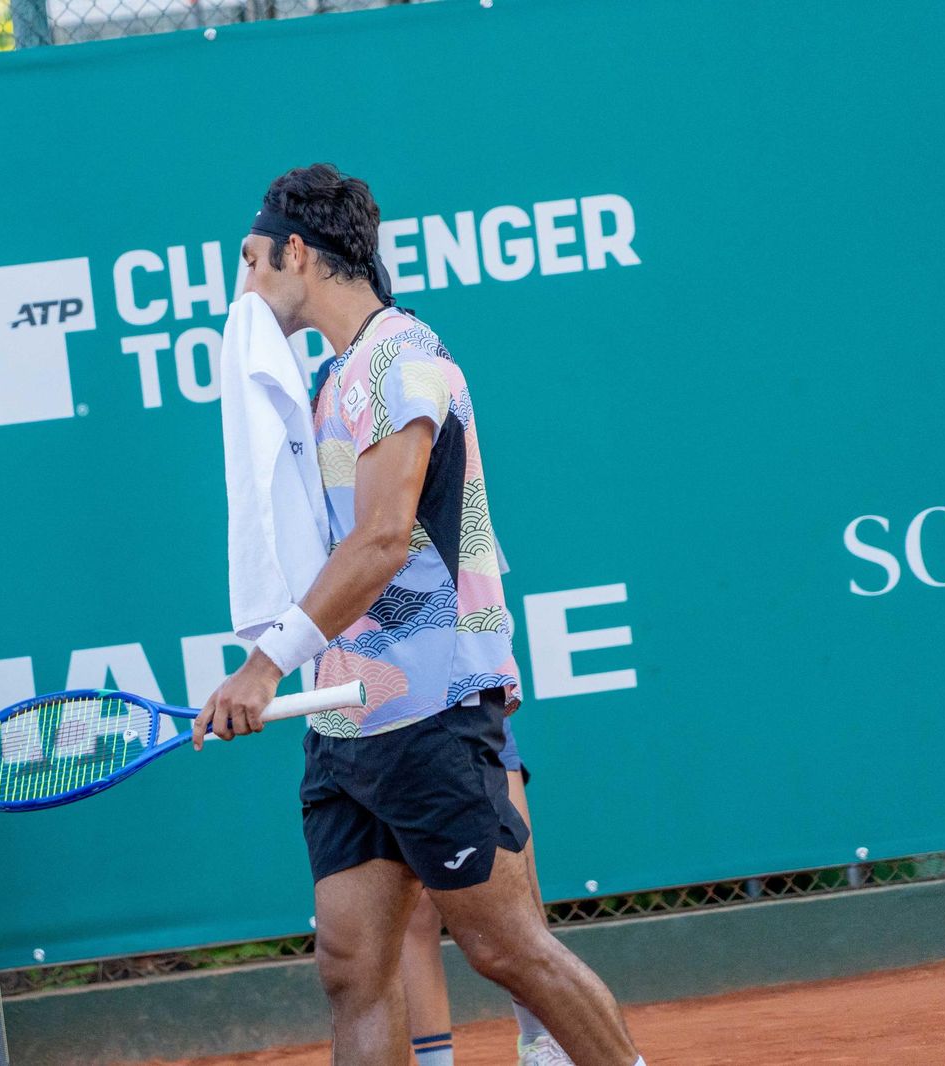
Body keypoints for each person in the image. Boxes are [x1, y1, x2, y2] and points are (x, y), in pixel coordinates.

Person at [196, 164, 644, 1066]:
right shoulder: (329, 379)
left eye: (251, 261)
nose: (244, 287)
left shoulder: (401, 359)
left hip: (432, 708)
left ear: (296, 252)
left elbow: (383, 540)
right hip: (345, 717)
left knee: (505, 946)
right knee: (350, 965)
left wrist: (265, 663)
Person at [402, 721, 575, 1065]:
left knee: (519, 888)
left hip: (467, 710)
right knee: (418, 908)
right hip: (378, 730)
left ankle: (538, 1043)